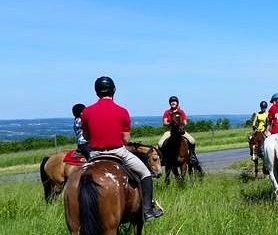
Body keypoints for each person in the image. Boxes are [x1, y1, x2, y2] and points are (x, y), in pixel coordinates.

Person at [81, 76, 163, 220]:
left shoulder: (86, 112)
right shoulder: (122, 111)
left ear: (96, 92)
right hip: (118, 152)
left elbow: (86, 136)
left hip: (94, 155)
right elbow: (126, 139)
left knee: (77, 178)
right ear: (114, 90)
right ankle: (147, 210)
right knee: (145, 174)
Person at [157, 96, 200, 164]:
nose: (173, 103)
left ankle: (192, 156)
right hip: (169, 131)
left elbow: (185, 122)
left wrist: (180, 125)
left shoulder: (181, 112)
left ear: (177, 103)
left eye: (174, 101)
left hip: (180, 130)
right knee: (160, 144)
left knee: (192, 141)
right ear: (169, 103)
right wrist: (171, 123)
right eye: (171, 102)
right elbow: (165, 122)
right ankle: (163, 158)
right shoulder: (167, 112)